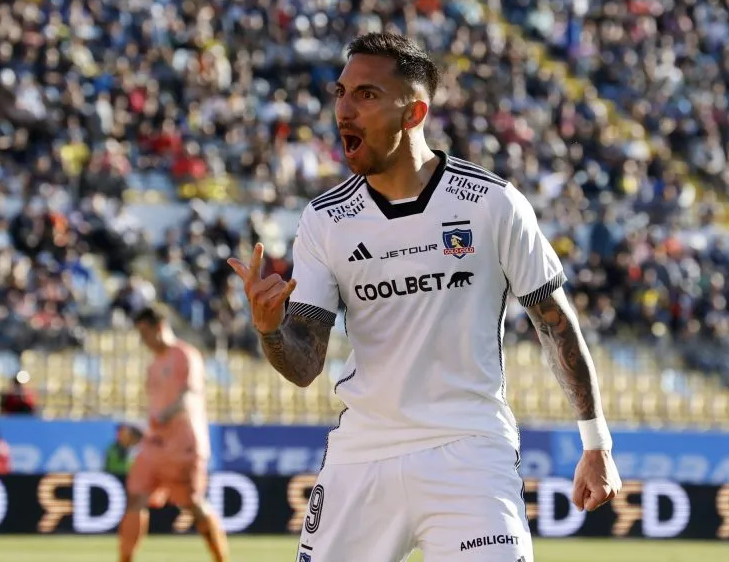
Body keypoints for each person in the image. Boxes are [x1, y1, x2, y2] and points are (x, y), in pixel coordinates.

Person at [227, 32, 621, 562]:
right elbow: (304, 367)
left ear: (414, 113)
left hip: (470, 452)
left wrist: (596, 443)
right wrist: (269, 327)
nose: (344, 109)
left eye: (366, 95)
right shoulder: (325, 220)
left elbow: (556, 324)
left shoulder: (492, 204)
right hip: (363, 453)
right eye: (341, 92)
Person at [118, 305, 229, 562]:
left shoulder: (185, 355)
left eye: (145, 333)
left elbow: (189, 395)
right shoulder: (153, 367)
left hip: (184, 445)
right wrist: (140, 431)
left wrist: (164, 416)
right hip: (155, 445)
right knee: (135, 498)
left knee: (193, 504)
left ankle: (222, 559)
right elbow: (154, 411)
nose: (143, 340)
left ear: (159, 327)